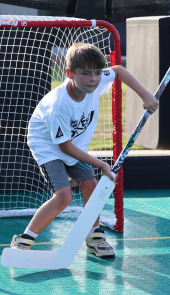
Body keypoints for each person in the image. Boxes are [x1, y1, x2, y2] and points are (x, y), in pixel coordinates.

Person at [10, 42, 158, 258]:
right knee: (63, 197)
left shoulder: (95, 82)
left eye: (97, 73)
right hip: (48, 146)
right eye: (86, 74)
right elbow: (64, 146)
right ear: (70, 73)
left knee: (91, 186)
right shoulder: (58, 105)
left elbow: (118, 71)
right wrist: (101, 163)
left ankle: (94, 237)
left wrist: (145, 95)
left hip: (74, 144)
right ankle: (24, 240)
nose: (93, 79)